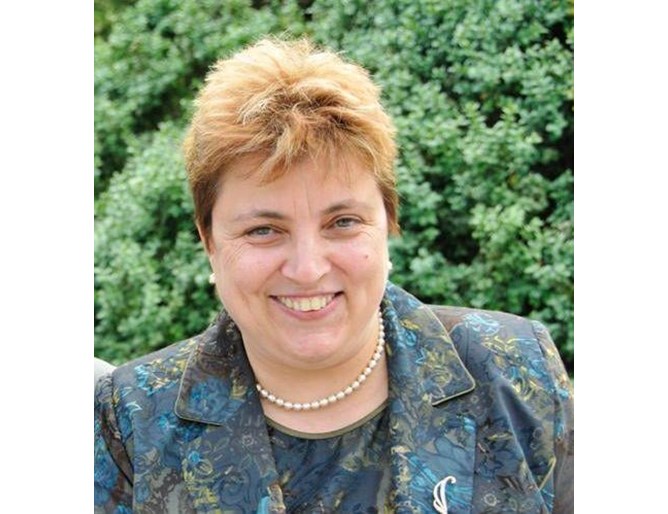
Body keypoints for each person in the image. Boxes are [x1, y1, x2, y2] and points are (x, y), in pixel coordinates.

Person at [94, 37, 574, 513]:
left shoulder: (512, 367)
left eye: (343, 222)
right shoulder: (132, 419)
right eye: (264, 230)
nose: (308, 269)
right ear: (210, 241)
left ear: (388, 221)